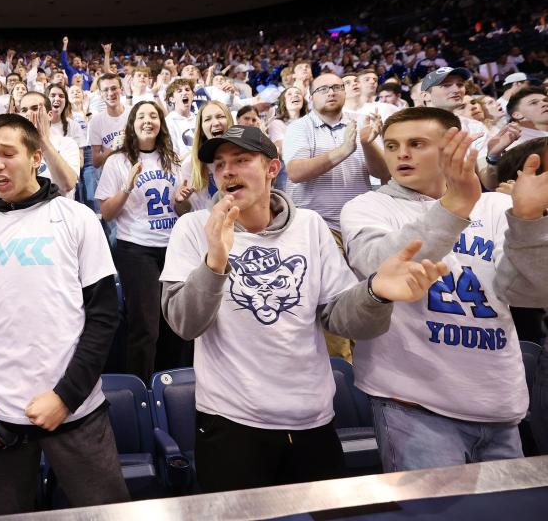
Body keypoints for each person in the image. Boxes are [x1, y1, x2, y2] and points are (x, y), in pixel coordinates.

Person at [160, 124, 448, 492]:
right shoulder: (192, 228)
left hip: (312, 419)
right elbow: (185, 324)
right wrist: (215, 261)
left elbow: (341, 317)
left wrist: (375, 293)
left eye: (242, 160)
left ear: (272, 169)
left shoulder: (310, 227)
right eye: (218, 164)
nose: (227, 171)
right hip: (230, 421)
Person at [340, 107, 548, 472]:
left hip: (499, 400)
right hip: (412, 405)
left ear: (454, 146)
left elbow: (530, 294)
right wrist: (456, 206)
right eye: (392, 145)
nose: (401, 154)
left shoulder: (498, 207)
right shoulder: (368, 206)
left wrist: (529, 223)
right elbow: (380, 266)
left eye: (416, 144)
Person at [0, 114, 129, 516]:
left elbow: (103, 318)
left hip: (75, 410)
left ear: (35, 157)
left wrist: (65, 397)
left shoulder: (76, 217)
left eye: (7, 153)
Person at [95, 101, 187, 381]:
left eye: (154, 116)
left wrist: (183, 202)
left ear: (161, 123)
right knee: (146, 327)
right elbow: (108, 214)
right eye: (142, 116)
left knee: (177, 323)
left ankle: (170, 383)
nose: (148, 120)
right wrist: (126, 188)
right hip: (136, 249)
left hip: (173, 248)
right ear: (132, 124)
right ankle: (143, 388)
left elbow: (182, 210)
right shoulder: (117, 161)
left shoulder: (174, 159)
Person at [284, 73, 390, 242]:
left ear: (344, 93)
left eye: (336, 88)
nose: (331, 93)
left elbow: (384, 173)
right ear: (310, 98)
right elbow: (295, 173)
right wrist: (343, 150)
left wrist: (367, 144)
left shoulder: (363, 122)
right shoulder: (298, 127)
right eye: (323, 89)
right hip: (317, 226)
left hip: (361, 222)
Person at [17, 91, 81, 195]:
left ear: (50, 115)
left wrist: (43, 140)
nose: (28, 114)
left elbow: (67, 185)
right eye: (24, 110)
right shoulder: (15, 147)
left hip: (58, 209)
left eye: (35, 108)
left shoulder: (67, 143)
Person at [175, 100, 232, 216]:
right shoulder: (190, 164)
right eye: (207, 119)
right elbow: (183, 212)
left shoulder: (245, 155)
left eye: (220, 116)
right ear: (201, 128)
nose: (215, 123)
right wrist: (181, 201)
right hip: (207, 228)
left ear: (230, 121)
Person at [88, 73, 131, 168]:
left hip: (135, 170)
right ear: (100, 93)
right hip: (111, 175)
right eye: (105, 90)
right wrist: (113, 148)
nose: (110, 93)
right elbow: (96, 162)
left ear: (121, 90)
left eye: (114, 88)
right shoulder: (96, 122)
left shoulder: (133, 113)